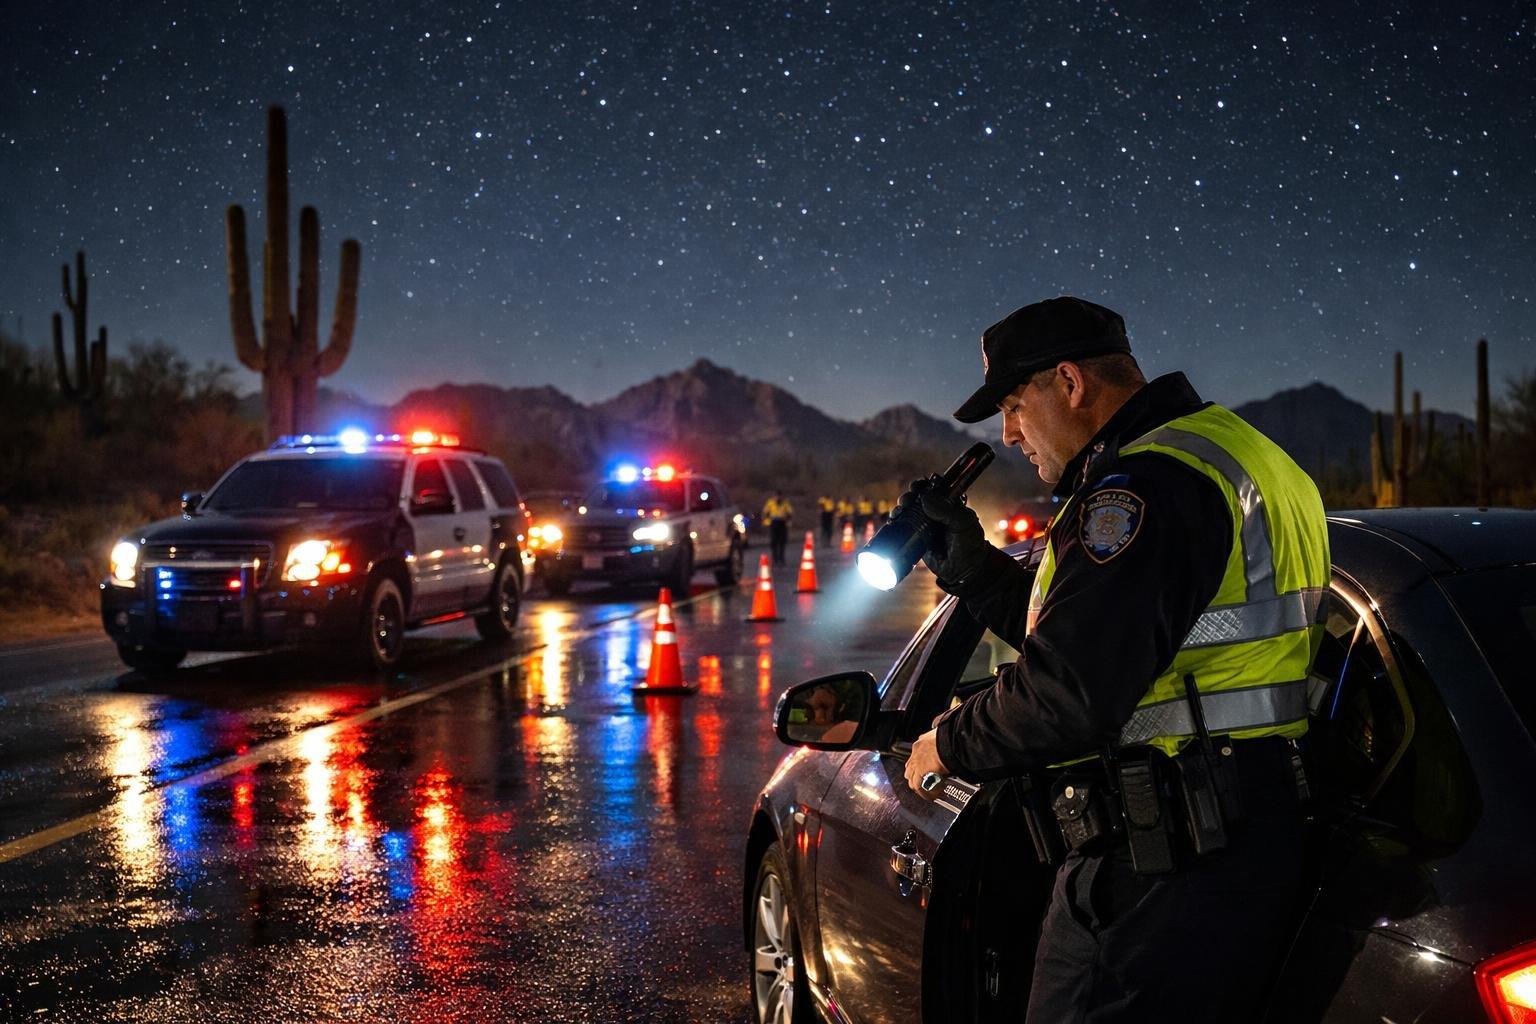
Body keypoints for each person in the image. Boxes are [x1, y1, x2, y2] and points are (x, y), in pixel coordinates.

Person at [899, 295, 1329, 1022]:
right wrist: (973, 569)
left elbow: (1068, 695)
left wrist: (946, 742)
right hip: (1239, 833)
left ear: (1068, 383)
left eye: (1012, 405)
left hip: (1163, 864)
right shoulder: (1237, 453)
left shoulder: (1141, 489)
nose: (1007, 434)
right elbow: (1119, 636)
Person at [761, 490, 794, 567]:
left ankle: (781, 558)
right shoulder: (770, 502)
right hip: (773, 523)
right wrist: (766, 521)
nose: (778, 498)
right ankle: (775, 558)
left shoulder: (785, 503)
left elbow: (790, 512)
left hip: (782, 523)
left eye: (779, 496)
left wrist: (789, 520)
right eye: (776, 496)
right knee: (773, 541)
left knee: (782, 541)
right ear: (774, 496)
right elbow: (765, 513)